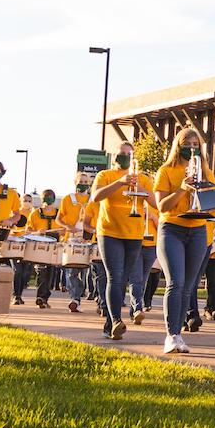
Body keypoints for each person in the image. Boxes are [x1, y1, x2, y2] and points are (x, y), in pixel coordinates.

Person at [153, 127, 215, 356]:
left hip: (198, 230)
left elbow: (213, 203)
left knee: (188, 286)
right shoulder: (166, 171)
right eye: (187, 144)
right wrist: (183, 188)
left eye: (195, 145)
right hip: (172, 229)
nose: (191, 149)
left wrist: (208, 189)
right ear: (178, 146)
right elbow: (162, 206)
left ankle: (178, 335)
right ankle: (170, 335)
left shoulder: (206, 171)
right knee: (176, 282)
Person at [87, 141, 153, 340]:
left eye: (128, 154)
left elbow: (155, 203)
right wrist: (120, 182)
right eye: (121, 153)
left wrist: (141, 187)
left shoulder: (143, 178)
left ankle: (110, 323)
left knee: (123, 279)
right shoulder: (104, 175)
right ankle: (116, 319)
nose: (124, 157)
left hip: (133, 234)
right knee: (114, 276)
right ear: (114, 156)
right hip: (109, 232)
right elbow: (96, 196)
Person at [18, 189, 64, 308]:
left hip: (54, 247)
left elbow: (64, 230)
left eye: (50, 197)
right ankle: (40, 297)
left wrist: (62, 232)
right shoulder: (35, 213)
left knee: (51, 273)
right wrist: (37, 232)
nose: (48, 199)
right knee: (41, 271)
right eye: (46, 197)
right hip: (40, 247)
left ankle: (44, 297)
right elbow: (28, 230)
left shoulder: (59, 213)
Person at [58, 171, 96, 314]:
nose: (83, 184)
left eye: (86, 182)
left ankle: (83, 293)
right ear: (75, 182)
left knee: (86, 271)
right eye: (81, 181)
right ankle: (75, 299)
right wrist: (68, 227)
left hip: (87, 238)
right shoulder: (67, 199)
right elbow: (59, 218)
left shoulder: (93, 199)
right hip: (72, 239)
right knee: (71, 271)